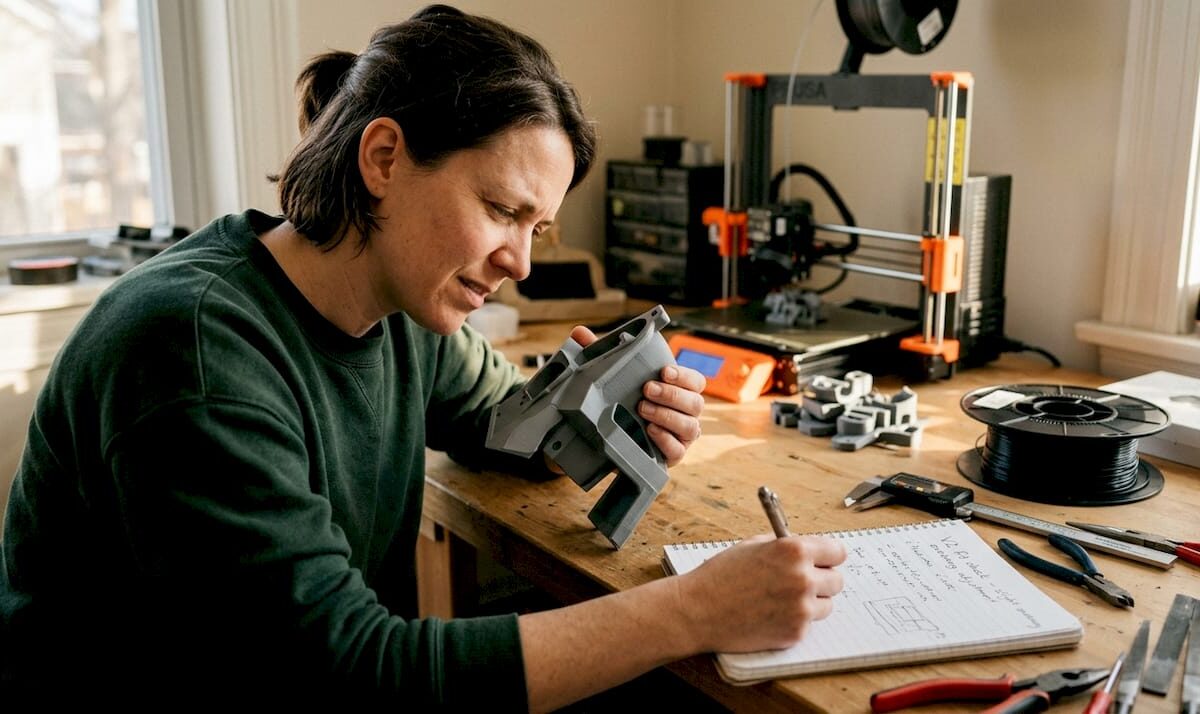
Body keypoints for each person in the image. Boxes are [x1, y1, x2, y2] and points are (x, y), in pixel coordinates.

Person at [0, 5, 846, 709]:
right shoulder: (194, 353)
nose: (521, 261)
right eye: (501, 210)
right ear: (384, 159)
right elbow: (351, 672)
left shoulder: (404, 307)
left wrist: (610, 411)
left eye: (537, 228)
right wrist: (693, 610)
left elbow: (504, 423)